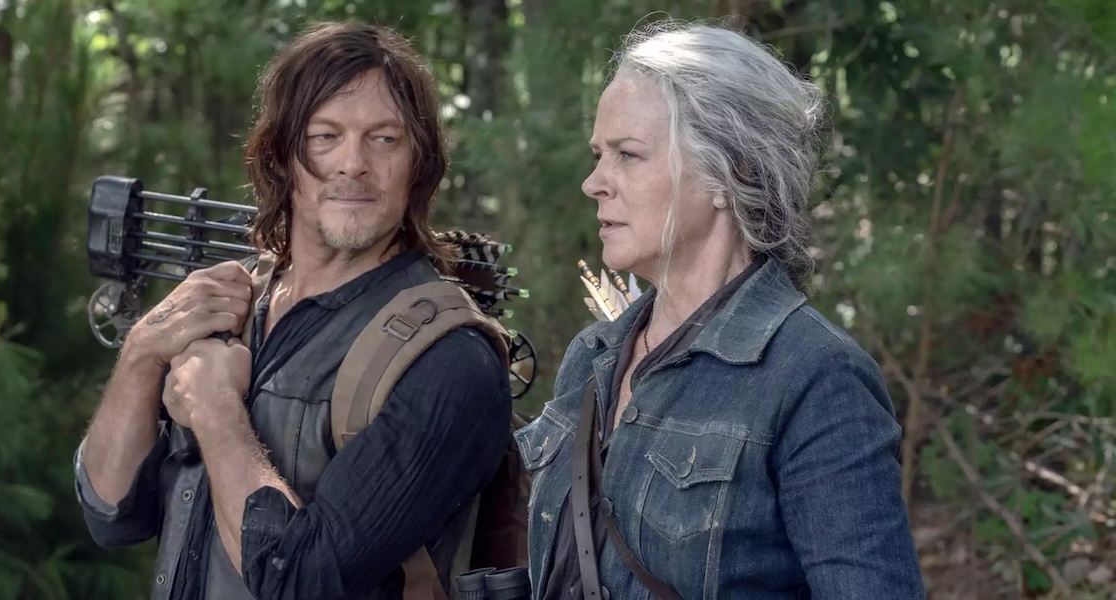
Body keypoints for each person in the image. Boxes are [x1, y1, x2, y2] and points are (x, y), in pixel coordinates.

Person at [73, 21, 515, 600]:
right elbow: (111, 515)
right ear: (281, 155)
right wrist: (141, 354)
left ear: (419, 163)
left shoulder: (451, 359)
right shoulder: (232, 306)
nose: (353, 163)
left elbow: (304, 581)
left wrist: (214, 407)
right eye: (324, 136)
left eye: (384, 139)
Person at [515, 20, 926, 600]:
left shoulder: (813, 377)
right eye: (599, 154)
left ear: (730, 173)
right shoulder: (592, 357)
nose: (594, 182)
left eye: (628, 155)